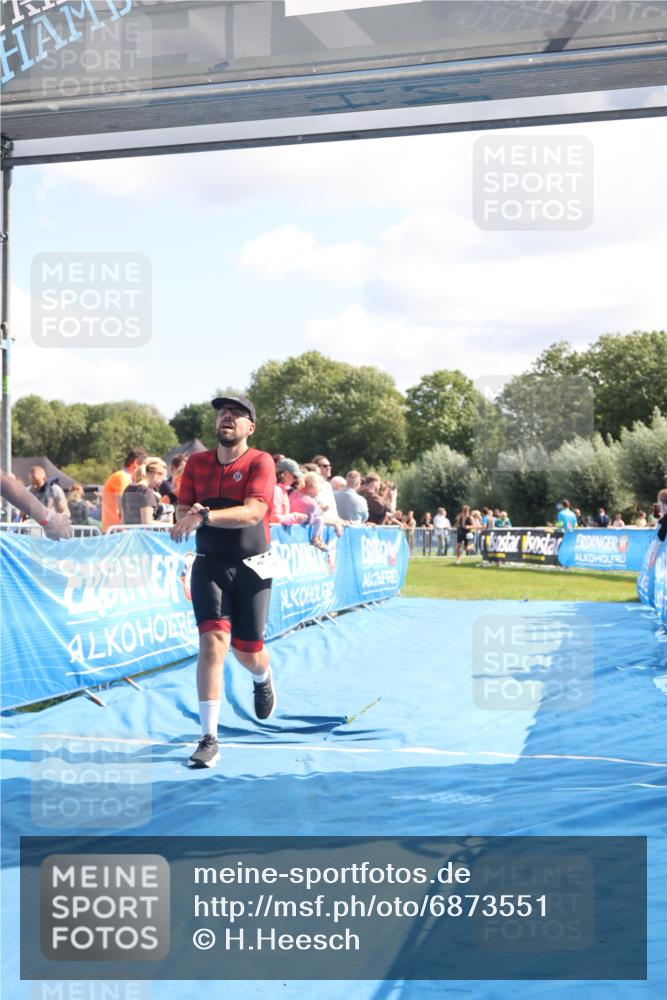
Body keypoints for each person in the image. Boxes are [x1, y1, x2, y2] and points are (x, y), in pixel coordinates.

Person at [171, 396, 276, 769]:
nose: (227, 417)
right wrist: (189, 515)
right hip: (209, 564)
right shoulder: (197, 464)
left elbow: (253, 513)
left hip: (253, 565)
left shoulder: (261, 461)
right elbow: (183, 510)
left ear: (251, 427)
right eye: (222, 412)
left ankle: (263, 677)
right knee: (213, 643)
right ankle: (209, 738)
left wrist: (203, 515)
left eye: (238, 414)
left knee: (247, 651)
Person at [0, 470, 72, 539]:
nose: (34, 486)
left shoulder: (55, 489)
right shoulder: (28, 489)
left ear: (45, 478)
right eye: (32, 483)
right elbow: (4, 482)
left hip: (51, 531)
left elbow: (65, 511)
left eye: (37, 483)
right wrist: (48, 519)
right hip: (34, 530)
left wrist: (59, 522)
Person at [102, 447, 147, 532]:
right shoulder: (122, 476)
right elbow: (123, 503)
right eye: (144, 467)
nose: (144, 471)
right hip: (115, 530)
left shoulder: (124, 477)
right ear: (136, 463)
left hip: (116, 529)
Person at [121, 458, 169, 525]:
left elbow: (123, 522)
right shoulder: (146, 492)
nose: (162, 482)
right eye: (162, 477)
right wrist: (169, 524)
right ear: (154, 474)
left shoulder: (127, 489)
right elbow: (147, 523)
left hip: (129, 534)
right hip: (143, 534)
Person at [289, 472, 329, 551]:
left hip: (289, 519)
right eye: (318, 489)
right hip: (299, 524)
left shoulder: (294, 492)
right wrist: (320, 510)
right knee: (320, 519)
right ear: (312, 487)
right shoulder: (311, 502)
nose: (317, 492)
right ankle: (315, 539)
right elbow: (310, 521)